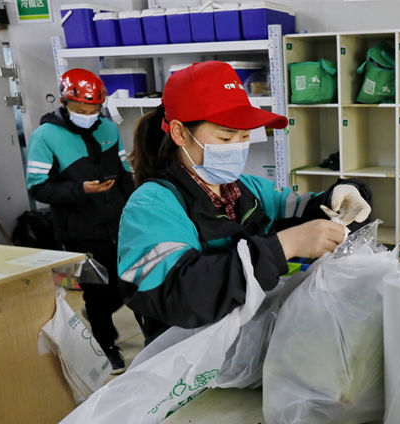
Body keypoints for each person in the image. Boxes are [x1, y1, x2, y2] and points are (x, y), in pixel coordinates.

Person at [119, 60, 372, 341]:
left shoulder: (246, 189)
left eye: (243, 137)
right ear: (179, 133)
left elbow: (307, 210)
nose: (238, 148)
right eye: (226, 138)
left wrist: (346, 193)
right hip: (189, 365)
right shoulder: (152, 205)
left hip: (249, 347)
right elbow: (181, 293)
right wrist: (283, 246)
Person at [26, 68, 135, 374]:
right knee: (97, 289)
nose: (88, 115)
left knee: (125, 284)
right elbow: (38, 187)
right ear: (65, 102)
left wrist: (136, 207)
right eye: (81, 109)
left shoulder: (108, 129)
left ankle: (97, 315)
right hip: (79, 228)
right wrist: (80, 190)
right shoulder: (45, 136)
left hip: (117, 222)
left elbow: (124, 173)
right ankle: (105, 345)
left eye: (94, 110)